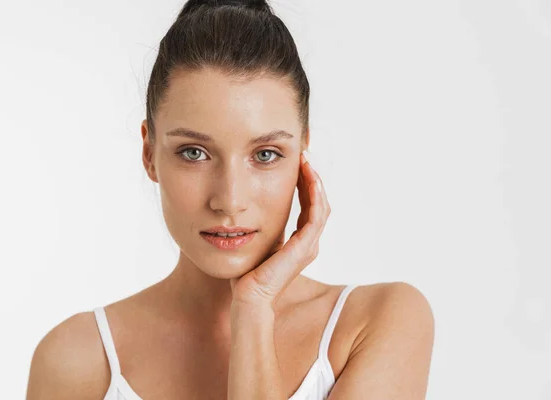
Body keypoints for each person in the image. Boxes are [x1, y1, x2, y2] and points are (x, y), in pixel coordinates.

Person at [26, 1, 434, 399]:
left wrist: (254, 307)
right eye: (194, 153)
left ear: (301, 154)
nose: (230, 200)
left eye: (265, 155)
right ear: (149, 153)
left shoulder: (376, 322)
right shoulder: (77, 360)